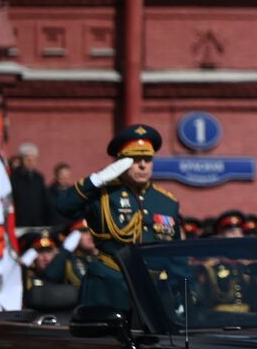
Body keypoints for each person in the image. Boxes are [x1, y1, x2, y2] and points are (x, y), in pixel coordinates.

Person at [55, 124, 181, 308]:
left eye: (147, 159)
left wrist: (185, 291)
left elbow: (176, 254)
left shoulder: (166, 202)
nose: (143, 165)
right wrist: (96, 180)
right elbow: (64, 206)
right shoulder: (103, 194)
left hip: (153, 289)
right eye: (135, 159)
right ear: (121, 162)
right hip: (109, 285)